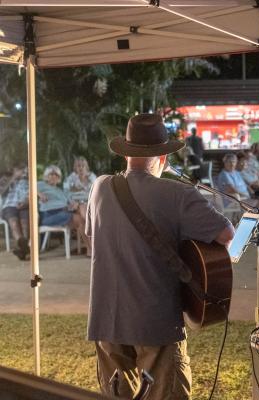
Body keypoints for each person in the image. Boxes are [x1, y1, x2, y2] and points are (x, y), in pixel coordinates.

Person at [86, 114, 234, 400]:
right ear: (163, 155)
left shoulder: (99, 187)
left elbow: (94, 239)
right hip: (155, 322)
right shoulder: (177, 194)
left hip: (106, 321)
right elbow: (226, 234)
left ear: (126, 153)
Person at [217, 153, 259, 234]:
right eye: (229, 162)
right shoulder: (224, 174)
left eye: (234, 162)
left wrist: (253, 194)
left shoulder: (235, 172)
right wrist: (248, 196)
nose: (232, 164)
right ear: (224, 162)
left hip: (245, 197)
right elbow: (232, 190)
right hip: (235, 200)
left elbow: (245, 185)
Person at [38, 165, 91, 255]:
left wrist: (73, 205)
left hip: (64, 212)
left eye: (56, 175)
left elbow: (70, 202)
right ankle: (92, 246)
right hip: (49, 215)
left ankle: (91, 247)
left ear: (59, 178)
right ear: (46, 176)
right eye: (51, 174)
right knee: (80, 219)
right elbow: (30, 188)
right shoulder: (41, 184)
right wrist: (39, 194)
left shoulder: (61, 191)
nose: (54, 176)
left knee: (82, 208)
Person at [1, 164, 29, 260]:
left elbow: (32, 194)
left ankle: (23, 251)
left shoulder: (28, 181)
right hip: (9, 205)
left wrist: (26, 202)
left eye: (23, 169)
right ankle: (24, 249)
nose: (22, 171)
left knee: (25, 225)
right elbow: (1, 192)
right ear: (14, 169)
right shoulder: (6, 179)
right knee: (14, 223)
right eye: (19, 169)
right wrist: (13, 178)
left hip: (24, 205)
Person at [64, 156, 97, 223]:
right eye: (78, 166)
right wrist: (72, 202)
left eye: (83, 166)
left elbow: (97, 192)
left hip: (91, 202)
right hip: (76, 203)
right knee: (83, 208)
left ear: (86, 167)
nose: (81, 168)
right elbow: (66, 192)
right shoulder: (71, 178)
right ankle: (93, 227)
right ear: (75, 168)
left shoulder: (92, 177)